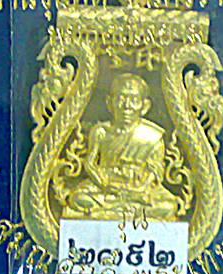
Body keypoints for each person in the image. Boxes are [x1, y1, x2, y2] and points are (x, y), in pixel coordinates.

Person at [64, 73, 180, 220]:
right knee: (78, 198)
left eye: (134, 100)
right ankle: (129, 212)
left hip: (139, 188)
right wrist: (104, 184)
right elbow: (90, 164)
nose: (127, 106)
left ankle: (109, 213)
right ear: (109, 103)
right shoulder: (100, 132)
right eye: (121, 98)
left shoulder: (152, 137)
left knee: (168, 206)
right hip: (105, 187)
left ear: (145, 106)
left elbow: (155, 172)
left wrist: (139, 190)